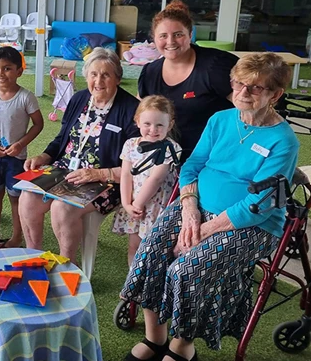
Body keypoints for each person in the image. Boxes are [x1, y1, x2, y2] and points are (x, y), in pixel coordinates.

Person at [121, 53, 299, 361]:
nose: (242, 92)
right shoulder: (220, 119)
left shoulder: (284, 141)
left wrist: (204, 230)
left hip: (252, 224)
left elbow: (260, 204)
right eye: (238, 83)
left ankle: (182, 348)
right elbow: (192, 167)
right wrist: (190, 210)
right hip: (196, 206)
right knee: (150, 251)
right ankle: (155, 339)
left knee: (186, 269)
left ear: (275, 94)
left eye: (255, 88)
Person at [19, 47, 139, 267]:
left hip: (105, 181)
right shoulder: (80, 98)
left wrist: (97, 173)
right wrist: (44, 156)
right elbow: (63, 138)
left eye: (106, 75)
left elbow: (134, 167)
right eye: (93, 74)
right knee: (28, 197)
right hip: (64, 169)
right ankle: (33, 258)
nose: (98, 80)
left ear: (118, 79)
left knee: (61, 207)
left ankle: (67, 266)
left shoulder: (131, 110)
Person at [138, 0, 239, 161]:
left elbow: (248, 108)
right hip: (165, 159)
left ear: (190, 35)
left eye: (178, 35)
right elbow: (141, 114)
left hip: (214, 157)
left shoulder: (215, 67)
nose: (170, 42)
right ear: (154, 39)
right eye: (163, 36)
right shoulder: (151, 72)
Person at [0, 46, 43, 253]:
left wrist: (20, 144)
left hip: (16, 159)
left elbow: (38, 124)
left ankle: (16, 237)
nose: (0, 74)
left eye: (7, 69)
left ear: (19, 71)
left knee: (15, 197)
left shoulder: (25, 97)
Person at [111, 95, 181, 265]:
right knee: (133, 245)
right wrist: (127, 203)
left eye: (159, 125)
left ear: (169, 125)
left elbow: (156, 179)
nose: (153, 129)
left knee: (150, 249)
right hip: (134, 204)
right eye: (147, 124)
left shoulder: (170, 148)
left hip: (154, 207)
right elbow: (126, 174)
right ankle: (132, 281)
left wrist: (137, 204)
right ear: (137, 121)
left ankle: (148, 284)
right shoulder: (130, 144)